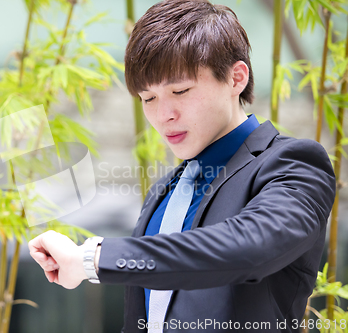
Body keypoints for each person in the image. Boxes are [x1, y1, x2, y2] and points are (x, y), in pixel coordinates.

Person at [28, 0, 336, 332]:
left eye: (180, 90)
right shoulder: (167, 188)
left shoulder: (294, 164)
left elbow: (247, 248)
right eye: (148, 98)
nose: (164, 115)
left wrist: (93, 259)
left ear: (236, 78)